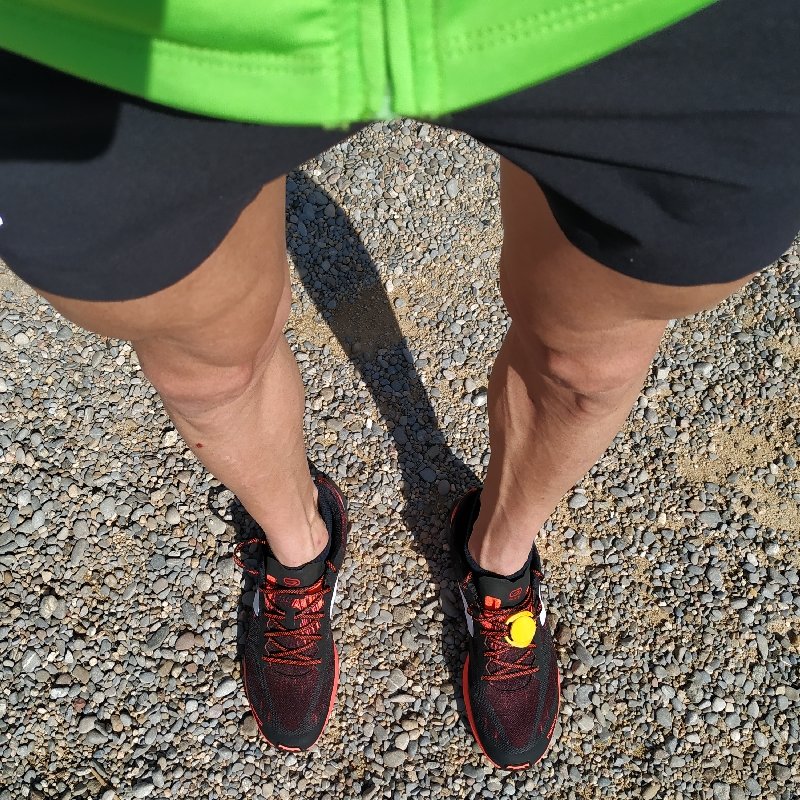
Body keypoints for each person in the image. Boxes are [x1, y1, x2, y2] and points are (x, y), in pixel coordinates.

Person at [1, 0, 798, 771]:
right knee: (209, 370)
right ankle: (298, 548)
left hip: (620, 15)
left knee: (589, 368)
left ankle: (499, 558)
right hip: (141, 27)